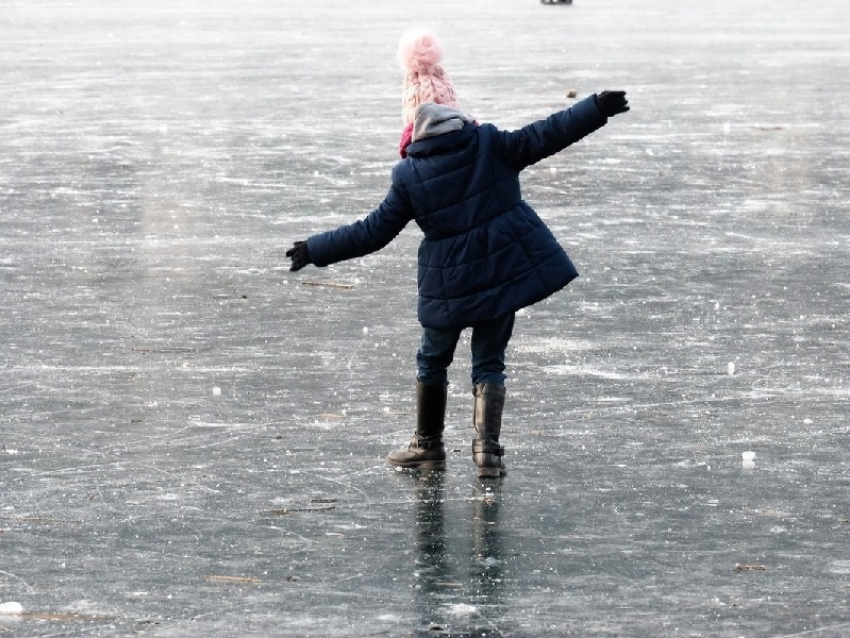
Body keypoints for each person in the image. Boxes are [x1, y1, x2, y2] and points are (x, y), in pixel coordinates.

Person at [286, 30, 629, 477]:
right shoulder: (490, 144)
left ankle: (427, 445)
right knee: (489, 361)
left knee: (432, 359)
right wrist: (595, 107)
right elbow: (547, 134)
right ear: (455, 109)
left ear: (410, 123)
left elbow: (372, 231)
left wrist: (315, 249)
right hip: (501, 273)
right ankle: (487, 453)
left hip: (447, 286)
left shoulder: (409, 175)